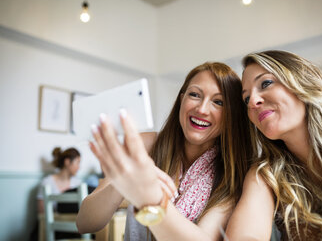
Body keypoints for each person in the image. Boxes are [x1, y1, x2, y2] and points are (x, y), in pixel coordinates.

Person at [76, 62, 252, 240]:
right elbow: (85, 223)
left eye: (218, 102)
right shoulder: (146, 144)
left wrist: (149, 199)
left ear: (232, 115)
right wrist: (126, 181)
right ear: (182, 99)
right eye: (194, 95)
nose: (202, 109)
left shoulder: (231, 176)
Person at [226, 50, 322, 240]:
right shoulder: (266, 175)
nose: (253, 101)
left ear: (302, 83)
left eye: (266, 83)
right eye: (246, 98)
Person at [37, 147, 81, 213]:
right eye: (78, 162)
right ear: (67, 162)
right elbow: (42, 214)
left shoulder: (77, 183)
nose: (79, 167)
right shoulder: (47, 182)